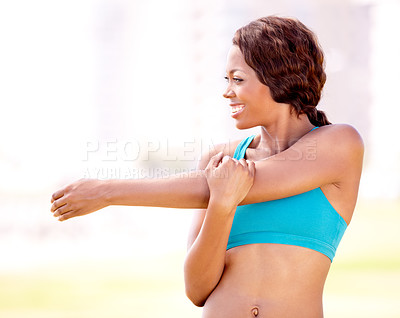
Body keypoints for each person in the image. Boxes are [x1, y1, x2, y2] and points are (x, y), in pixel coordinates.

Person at [50, 16, 364, 317]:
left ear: (280, 77)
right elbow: (197, 290)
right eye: (226, 80)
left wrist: (106, 191)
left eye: (238, 80)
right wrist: (221, 207)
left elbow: (249, 183)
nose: (227, 92)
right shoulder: (218, 160)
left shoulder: (339, 143)